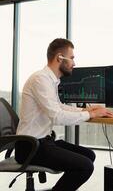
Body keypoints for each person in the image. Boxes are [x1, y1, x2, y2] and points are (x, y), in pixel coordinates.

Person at [15, 38, 113, 191]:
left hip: (43, 141)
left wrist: (87, 111)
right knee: (85, 167)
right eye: (72, 58)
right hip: (30, 147)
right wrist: (89, 115)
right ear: (60, 57)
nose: (74, 63)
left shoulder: (49, 80)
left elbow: (58, 106)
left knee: (89, 155)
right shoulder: (40, 79)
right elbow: (57, 116)